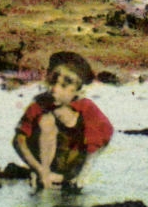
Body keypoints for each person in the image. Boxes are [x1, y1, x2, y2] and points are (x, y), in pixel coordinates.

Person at [13, 51, 114, 190]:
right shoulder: (40, 105)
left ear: (77, 91)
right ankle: (45, 175)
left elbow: (104, 136)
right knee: (46, 121)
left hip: (71, 168)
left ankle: (63, 178)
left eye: (63, 86)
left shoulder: (86, 109)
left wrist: (83, 174)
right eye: (53, 82)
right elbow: (19, 140)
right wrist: (38, 169)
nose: (54, 89)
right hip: (43, 165)